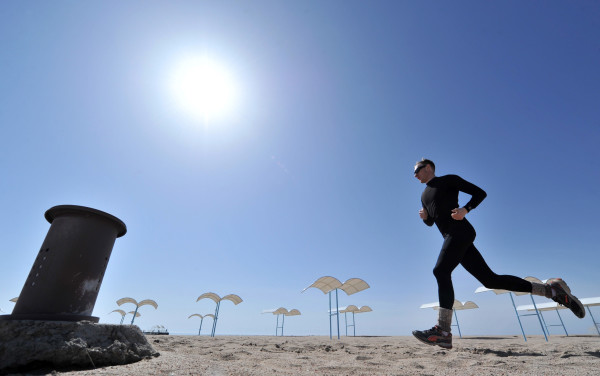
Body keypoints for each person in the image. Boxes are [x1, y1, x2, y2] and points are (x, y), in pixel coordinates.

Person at [411, 158, 585, 350]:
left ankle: (443, 332)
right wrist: (425, 218)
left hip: (460, 233)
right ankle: (551, 290)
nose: (415, 174)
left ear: (428, 167)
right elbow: (433, 221)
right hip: (452, 237)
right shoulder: (423, 195)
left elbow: (480, 193)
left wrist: (465, 210)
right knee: (491, 280)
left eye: (417, 170)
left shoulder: (448, 180)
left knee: (441, 271)